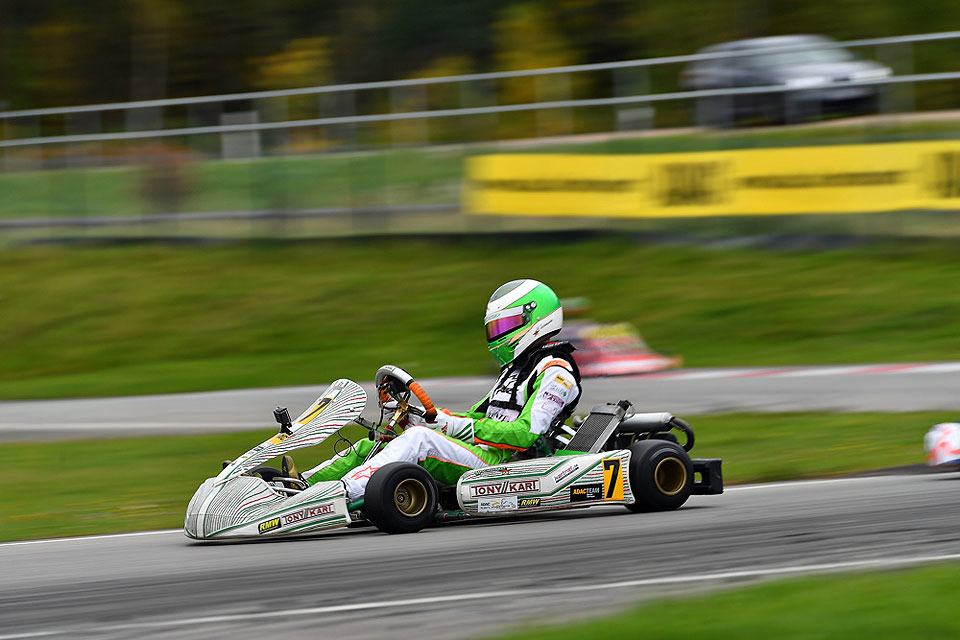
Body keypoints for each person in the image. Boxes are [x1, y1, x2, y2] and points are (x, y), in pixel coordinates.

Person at [295, 279, 582, 502]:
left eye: (506, 325)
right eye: (495, 328)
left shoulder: (556, 372)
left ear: (535, 319)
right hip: (483, 453)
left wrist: (455, 426)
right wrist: (429, 418)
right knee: (377, 444)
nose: (498, 334)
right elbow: (474, 416)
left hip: (505, 463)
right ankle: (299, 486)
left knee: (420, 440)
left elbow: (525, 434)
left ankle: (338, 494)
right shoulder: (518, 368)